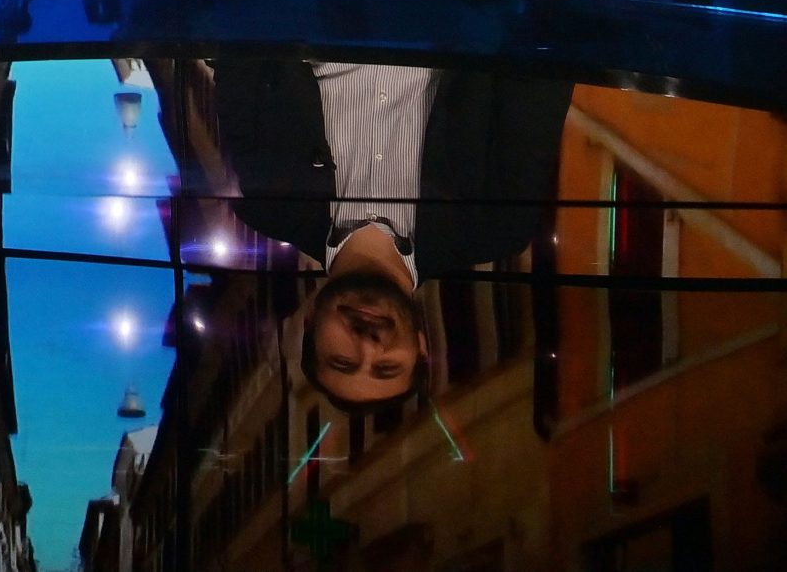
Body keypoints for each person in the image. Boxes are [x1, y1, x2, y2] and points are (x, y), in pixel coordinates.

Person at [209, 56, 573, 410]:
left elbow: (237, 55)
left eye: (342, 360)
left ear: (309, 322)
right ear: (421, 346)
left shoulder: (271, 203)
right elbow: (539, 72)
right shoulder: (494, 226)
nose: (368, 346)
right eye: (387, 367)